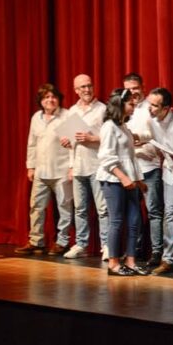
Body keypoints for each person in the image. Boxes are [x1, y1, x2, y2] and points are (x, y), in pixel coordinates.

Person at [16, 84, 74, 255]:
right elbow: (31, 144)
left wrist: (72, 167)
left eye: (53, 96)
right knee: (36, 206)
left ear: (59, 99)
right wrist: (30, 166)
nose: (50, 100)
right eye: (46, 97)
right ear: (41, 101)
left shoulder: (67, 115)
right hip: (41, 171)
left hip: (62, 170)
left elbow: (76, 143)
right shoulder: (36, 117)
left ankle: (62, 241)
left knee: (64, 207)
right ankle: (36, 241)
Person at [98, 89, 148, 276]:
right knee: (117, 221)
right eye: (130, 104)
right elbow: (106, 157)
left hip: (130, 181)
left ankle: (131, 261)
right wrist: (122, 177)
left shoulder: (123, 127)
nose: (133, 107)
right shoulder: (109, 126)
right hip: (113, 179)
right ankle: (113, 263)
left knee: (135, 220)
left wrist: (138, 179)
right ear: (120, 104)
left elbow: (130, 157)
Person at [59, 74, 109, 259]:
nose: (87, 90)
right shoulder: (72, 111)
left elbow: (112, 137)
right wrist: (67, 147)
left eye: (89, 85)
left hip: (98, 165)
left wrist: (92, 138)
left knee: (102, 209)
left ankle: (106, 246)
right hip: (79, 166)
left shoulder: (103, 109)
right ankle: (81, 244)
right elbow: (71, 142)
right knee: (79, 208)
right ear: (76, 90)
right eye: (83, 87)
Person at [146, 87, 173, 275]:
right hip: (171, 172)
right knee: (170, 214)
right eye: (149, 104)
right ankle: (168, 259)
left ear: (167, 108)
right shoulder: (152, 122)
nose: (150, 109)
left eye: (154, 106)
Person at [124, 72, 164, 266]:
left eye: (135, 88)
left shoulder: (150, 107)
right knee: (133, 212)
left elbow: (155, 133)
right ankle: (135, 250)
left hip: (150, 167)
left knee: (154, 211)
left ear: (143, 87)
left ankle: (157, 252)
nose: (132, 93)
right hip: (131, 169)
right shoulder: (124, 109)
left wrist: (137, 139)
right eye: (129, 89)